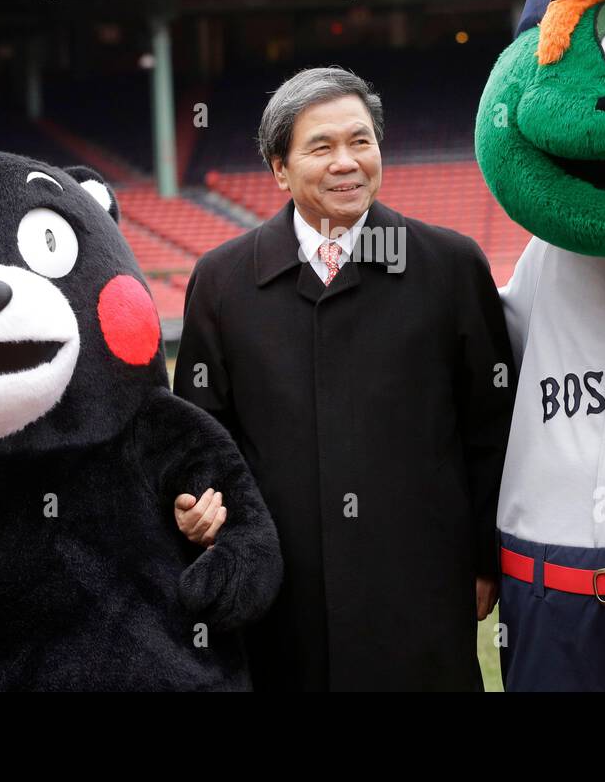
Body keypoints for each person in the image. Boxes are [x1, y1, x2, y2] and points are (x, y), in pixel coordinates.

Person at [172, 66, 514, 691]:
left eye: (361, 141)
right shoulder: (221, 282)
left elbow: (491, 430)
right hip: (279, 597)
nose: (347, 162)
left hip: (421, 586)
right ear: (279, 168)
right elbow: (200, 434)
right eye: (321, 147)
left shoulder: (450, 265)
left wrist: (486, 559)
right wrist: (198, 504)